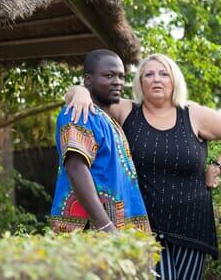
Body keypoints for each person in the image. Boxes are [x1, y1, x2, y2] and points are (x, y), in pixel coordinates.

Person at [65, 53, 221, 279]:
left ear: (174, 80)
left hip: (192, 226)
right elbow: (87, 95)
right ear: (140, 83)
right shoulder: (125, 110)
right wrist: (79, 92)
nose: (157, 79)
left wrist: (216, 166)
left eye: (164, 73)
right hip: (145, 229)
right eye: (149, 74)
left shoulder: (194, 114)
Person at [50, 49, 151, 234]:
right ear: (88, 80)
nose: (118, 82)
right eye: (109, 75)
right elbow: (76, 167)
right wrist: (106, 227)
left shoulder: (105, 118)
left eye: (121, 76)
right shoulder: (79, 113)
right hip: (93, 235)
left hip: (115, 234)